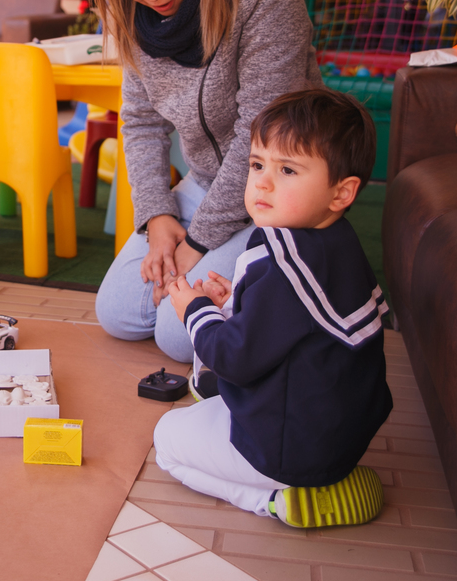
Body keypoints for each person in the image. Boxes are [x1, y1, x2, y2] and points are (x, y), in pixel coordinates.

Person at [88, 0, 321, 362]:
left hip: (275, 186)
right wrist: (157, 218)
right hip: (207, 182)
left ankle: (288, 276)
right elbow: (141, 121)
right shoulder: (126, 6)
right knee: (120, 313)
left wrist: (195, 244)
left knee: (178, 335)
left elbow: (262, 135)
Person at [154, 88, 392, 527]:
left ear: (341, 193)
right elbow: (296, 327)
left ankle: (278, 501)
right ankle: (313, 475)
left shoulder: (284, 263)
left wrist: (196, 309)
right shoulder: (336, 244)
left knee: (165, 440)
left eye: (287, 170)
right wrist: (233, 304)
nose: (262, 182)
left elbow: (233, 358)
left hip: (290, 450)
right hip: (340, 435)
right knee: (207, 404)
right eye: (258, 164)